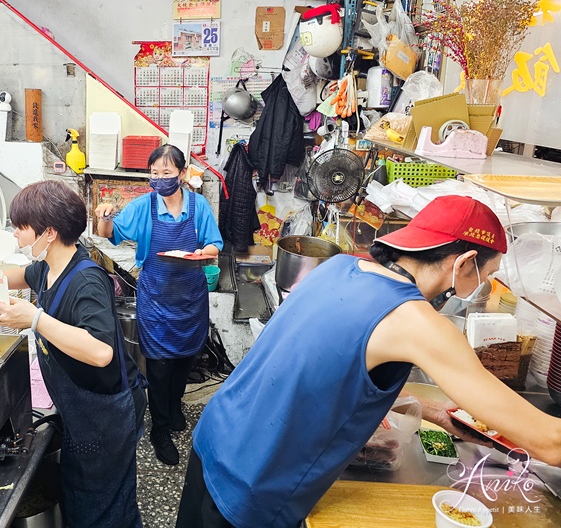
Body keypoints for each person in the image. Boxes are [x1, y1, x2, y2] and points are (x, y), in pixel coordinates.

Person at [176, 195, 561, 528]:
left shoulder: (340, 267)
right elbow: (550, 442)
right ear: (463, 263)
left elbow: (335, 368)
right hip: (252, 486)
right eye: (487, 275)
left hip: (213, 442)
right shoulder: (418, 321)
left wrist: (432, 411)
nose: (484, 286)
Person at [0, 180, 146, 528]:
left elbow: (101, 352)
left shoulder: (86, 280)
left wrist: (34, 318)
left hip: (106, 413)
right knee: (82, 493)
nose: (16, 235)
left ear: (48, 232)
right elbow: (18, 275)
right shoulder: (50, 267)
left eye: (21, 227)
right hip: (82, 408)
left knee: (104, 505)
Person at [95, 144, 223, 466]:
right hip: (155, 297)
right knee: (160, 365)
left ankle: (176, 407)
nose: (159, 179)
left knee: (183, 359)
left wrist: (202, 253)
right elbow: (109, 233)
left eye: (166, 173)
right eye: (154, 173)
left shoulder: (199, 206)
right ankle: (160, 429)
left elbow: (213, 244)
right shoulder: (143, 206)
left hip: (190, 298)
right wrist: (103, 216)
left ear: (181, 174)